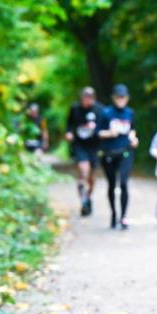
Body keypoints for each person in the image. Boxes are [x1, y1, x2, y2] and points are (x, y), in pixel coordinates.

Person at [98, 84, 138, 230]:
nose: (121, 100)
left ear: (127, 98)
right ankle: (114, 214)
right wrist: (109, 133)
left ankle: (123, 217)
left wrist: (134, 138)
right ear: (114, 98)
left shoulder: (130, 112)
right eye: (118, 97)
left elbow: (132, 129)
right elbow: (98, 133)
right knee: (111, 185)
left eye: (124, 97)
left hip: (125, 152)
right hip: (109, 153)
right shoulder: (106, 113)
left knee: (124, 183)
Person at [65, 87, 102, 217]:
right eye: (84, 97)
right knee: (83, 169)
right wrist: (69, 133)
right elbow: (69, 124)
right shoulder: (75, 108)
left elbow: (104, 125)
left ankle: (88, 197)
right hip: (79, 144)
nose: (86, 100)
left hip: (94, 145)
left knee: (92, 177)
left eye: (89, 97)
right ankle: (83, 198)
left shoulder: (99, 109)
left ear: (93, 98)